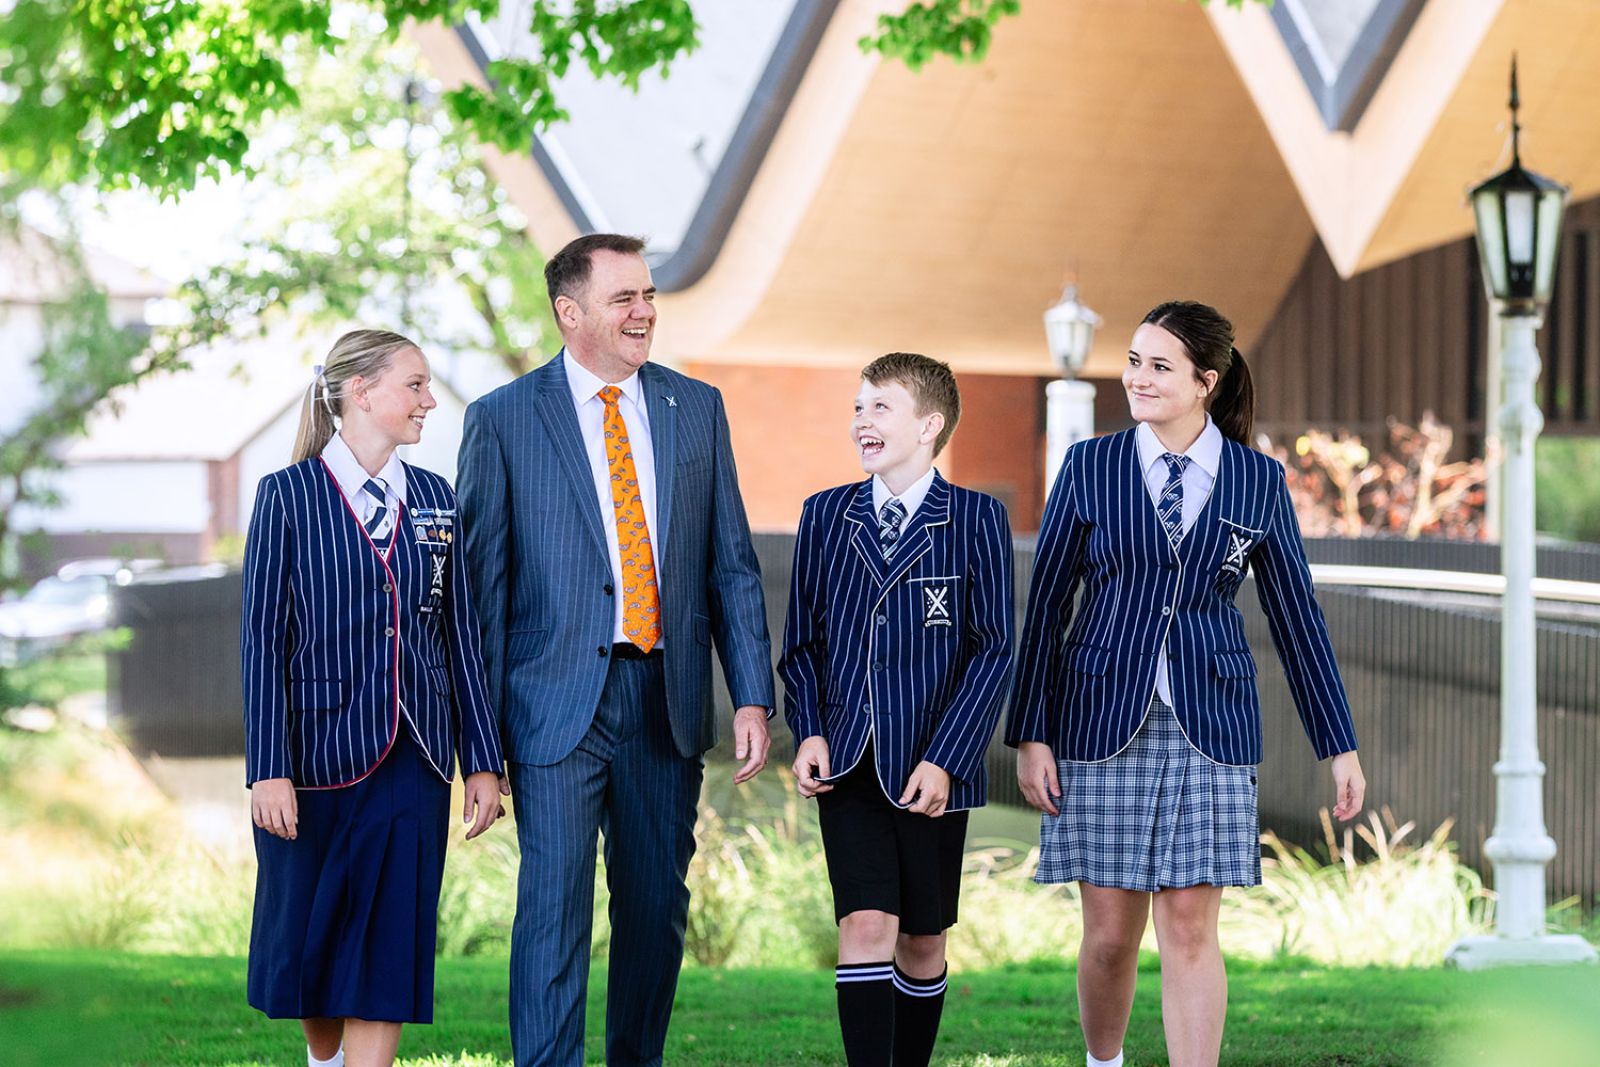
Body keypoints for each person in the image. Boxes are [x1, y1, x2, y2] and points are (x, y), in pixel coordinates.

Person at [1006, 301, 1367, 1067]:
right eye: (1133, 360)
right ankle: (1105, 1063)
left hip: (1211, 724)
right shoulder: (1090, 466)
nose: (1138, 377)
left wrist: (1340, 746)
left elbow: (1299, 621)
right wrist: (1031, 731)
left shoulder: (1257, 482)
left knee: (1190, 927)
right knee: (1108, 936)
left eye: (1159, 365)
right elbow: (1045, 609)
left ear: (1206, 381)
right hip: (1098, 718)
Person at [456, 233, 776, 1067]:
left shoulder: (695, 407)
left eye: (648, 295)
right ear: (570, 313)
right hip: (553, 708)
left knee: (652, 908)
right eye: (623, 298)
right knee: (553, 908)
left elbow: (731, 564)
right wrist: (480, 750)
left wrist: (750, 692)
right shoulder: (501, 419)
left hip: (663, 703)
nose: (643, 312)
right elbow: (479, 599)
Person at [241, 329, 506, 1067]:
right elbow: (261, 640)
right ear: (363, 391)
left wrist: (481, 760)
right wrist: (268, 766)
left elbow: (460, 639)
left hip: (414, 757)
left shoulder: (435, 498)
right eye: (415, 385)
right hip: (310, 763)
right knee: (309, 957)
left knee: (388, 950)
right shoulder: (285, 497)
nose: (428, 400)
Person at [780, 352, 1015, 1067]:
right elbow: (802, 642)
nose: (861, 420)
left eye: (880, 406)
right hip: (847, 759)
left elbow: (994, 648)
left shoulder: (976, 519)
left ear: (929, 423)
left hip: (933, 767)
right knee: (866, 922)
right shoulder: (825, 515)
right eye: (857, 407)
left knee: (922, 937)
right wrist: (810, 728)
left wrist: (947, 758)